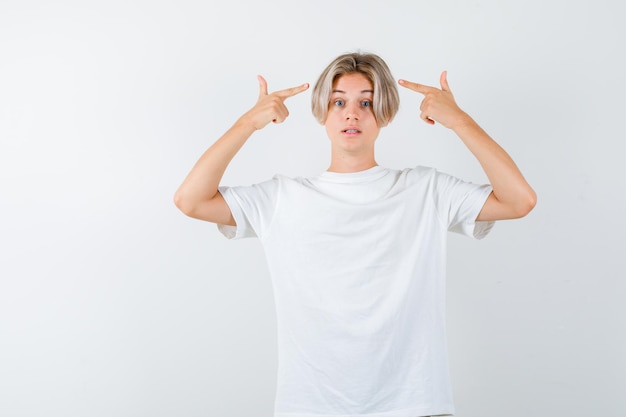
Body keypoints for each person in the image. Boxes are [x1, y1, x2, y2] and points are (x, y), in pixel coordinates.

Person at [174, 52, 536, 417]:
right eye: (338, 102)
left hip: (413, 404)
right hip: (312, 406)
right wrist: (246, 124)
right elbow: (190, 200)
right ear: (322, 112)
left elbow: (519, 200)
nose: (352, 113)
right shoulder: (282, 198)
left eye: (366, 102)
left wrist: (460, 122)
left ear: (385, 113)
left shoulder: (426, 190)